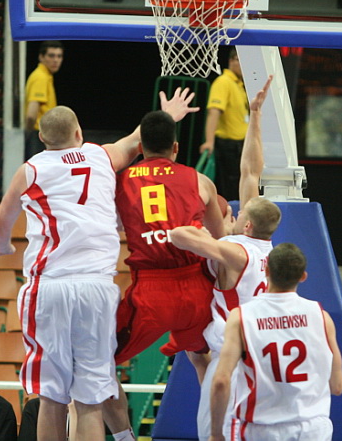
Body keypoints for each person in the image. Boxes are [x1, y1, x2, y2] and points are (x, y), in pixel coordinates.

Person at [0, 88, 198, 441]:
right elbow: (136, 140)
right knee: (90, 399)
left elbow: (1, 221)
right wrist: (168, 116)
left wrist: (4, 246)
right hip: (97, 288)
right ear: (79, 132)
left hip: (51, 285)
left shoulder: (31, 169)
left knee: (51, 397)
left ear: (42, 139)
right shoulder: (100, 156)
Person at [102, 107, 227, 439]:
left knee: (95, 366)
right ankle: (220, 432)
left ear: (140, 148)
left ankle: (124, 437)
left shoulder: (118, 183)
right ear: (176, 147)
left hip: (151, 292)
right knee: (209, 359)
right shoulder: (200, 181)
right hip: (197, 288)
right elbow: (221, 240)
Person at [170, 78, 282, 441]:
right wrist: (255, 115)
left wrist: (189, 215)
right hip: (265, 356)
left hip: (233, 357)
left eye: (237, 211)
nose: (234, 209)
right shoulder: (269, 249)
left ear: (245, 224)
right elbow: (251, 171)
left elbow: (182, 236)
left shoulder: (234, 250)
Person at [209, 243, 342, 441]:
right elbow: (337, 386)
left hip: (262, 429)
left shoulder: (242, 316)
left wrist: (215, 433)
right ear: (303, 276)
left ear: (266, 271)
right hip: (314, 429)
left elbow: (221, 381)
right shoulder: (322, 317)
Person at [200, 48, 248, 201]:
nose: (244, 65)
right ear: (231, 61)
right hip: (228, 146)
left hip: (241, 145)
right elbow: (214, 112)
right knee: (231, 190)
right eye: (241, 60)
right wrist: (209, 142)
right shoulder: (223, 82)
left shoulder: (239, 85)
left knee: (240, 187)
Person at [25, 40, 64, 159]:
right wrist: (28, 135)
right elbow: (31, 115)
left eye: (59, 56)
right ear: (41, 57)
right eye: (51, 56)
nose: (56, 60)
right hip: (39, 136)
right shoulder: (40, 77)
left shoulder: (45, 76)